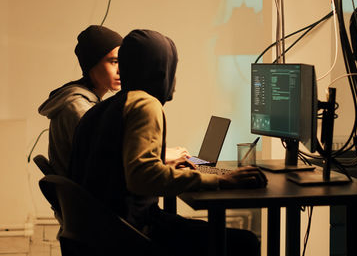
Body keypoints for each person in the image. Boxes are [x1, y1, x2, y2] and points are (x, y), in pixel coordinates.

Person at [68, 29, 267, 256]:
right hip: (131, 235)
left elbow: (119, 169)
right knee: (245, 243)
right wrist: (220, 181)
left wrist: (168, 169)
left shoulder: (105, 107)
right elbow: (142, 178)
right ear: (162, 68)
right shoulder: (145, 104)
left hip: (101, 234)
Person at [38, 25, 122, 175]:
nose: (121, 69)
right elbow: (108, 157)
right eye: (114, 61)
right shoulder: (77, 107)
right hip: (91, 195)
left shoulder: (85, 102)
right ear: (92, 65)